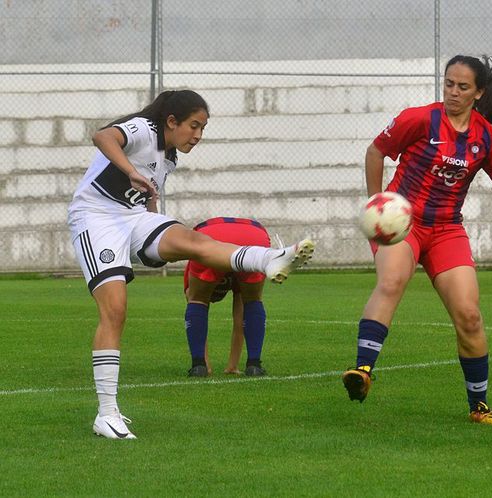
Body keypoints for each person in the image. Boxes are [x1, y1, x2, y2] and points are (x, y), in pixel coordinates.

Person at [67, 90, 314, 439]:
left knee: (193, 240)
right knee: (115, 309)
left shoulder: (168, 157)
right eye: (194, 126)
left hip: (134, 218)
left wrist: (154, 226)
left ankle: (270, 259)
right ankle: (106, 414)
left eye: (203, 128)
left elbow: (145, 198)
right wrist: (131, 173)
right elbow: (103, 136)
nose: (198, 135)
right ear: (171, 121)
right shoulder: (143, 129)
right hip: (96, 218)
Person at [342, 55, 492, 425]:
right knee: (391, 281)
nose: (453, 92)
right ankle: (362, 370)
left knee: (470, 316)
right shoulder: (420, 118)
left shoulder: (485, 137)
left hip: (446, 230)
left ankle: (479, 406)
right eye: (448, 84)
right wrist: (376, 205)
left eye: (462, 87)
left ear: (479, 93)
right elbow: (376, 151)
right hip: (403, 224)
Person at [183, 217, 271, 378]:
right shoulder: (238, 284)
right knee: (252, 301)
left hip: (209, 235)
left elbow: (194, 304)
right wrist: (232, 366)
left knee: (197, 300)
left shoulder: (193, 271)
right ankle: (254, 365)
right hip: (254, 235)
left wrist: (204, 364)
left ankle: (198, 366)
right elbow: (240, 320)